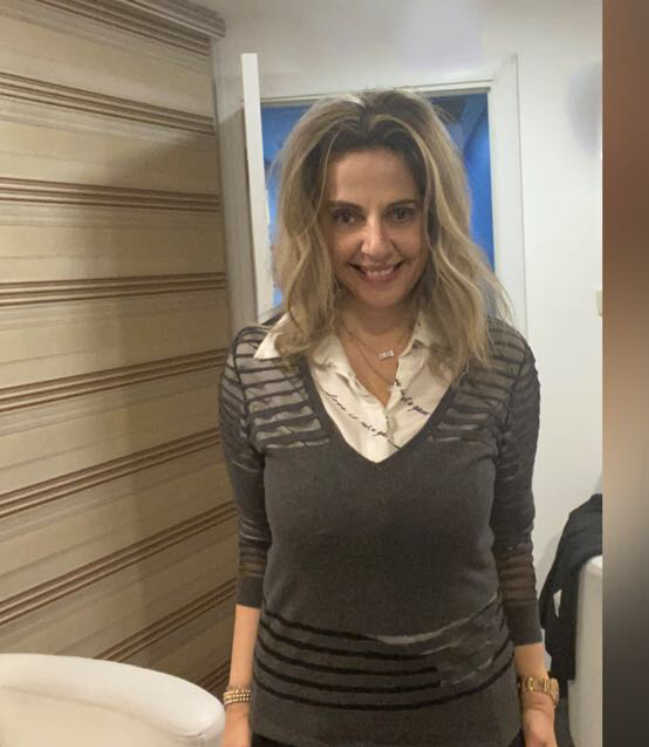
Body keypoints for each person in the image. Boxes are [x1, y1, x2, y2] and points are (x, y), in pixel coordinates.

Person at [218, 88, 558, 747]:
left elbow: (511, 543)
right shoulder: (256, 369)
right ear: (314, 226)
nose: (375, 244)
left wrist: (538, 699)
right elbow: (256, 548)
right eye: (346, 216)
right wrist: (237, 710)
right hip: (300, 726)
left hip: (469, 723)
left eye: (400, 212)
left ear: (435, 219)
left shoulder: (499, 363)